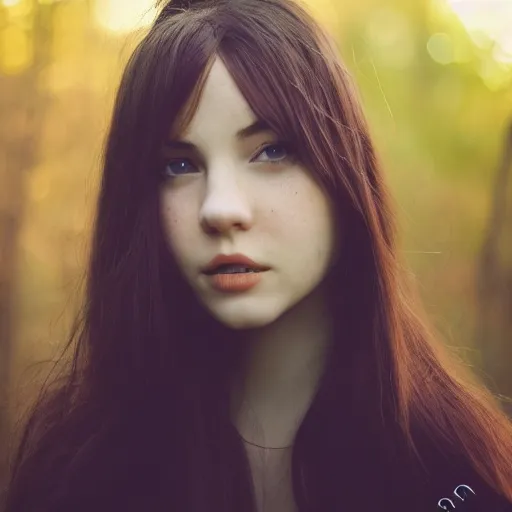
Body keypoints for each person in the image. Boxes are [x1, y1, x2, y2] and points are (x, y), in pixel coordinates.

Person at [2, 0, 512, 511]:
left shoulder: (460, 479)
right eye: (179, 164)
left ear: (345, 171)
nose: (220, 209)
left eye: (270, 151)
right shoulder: (76, 480)